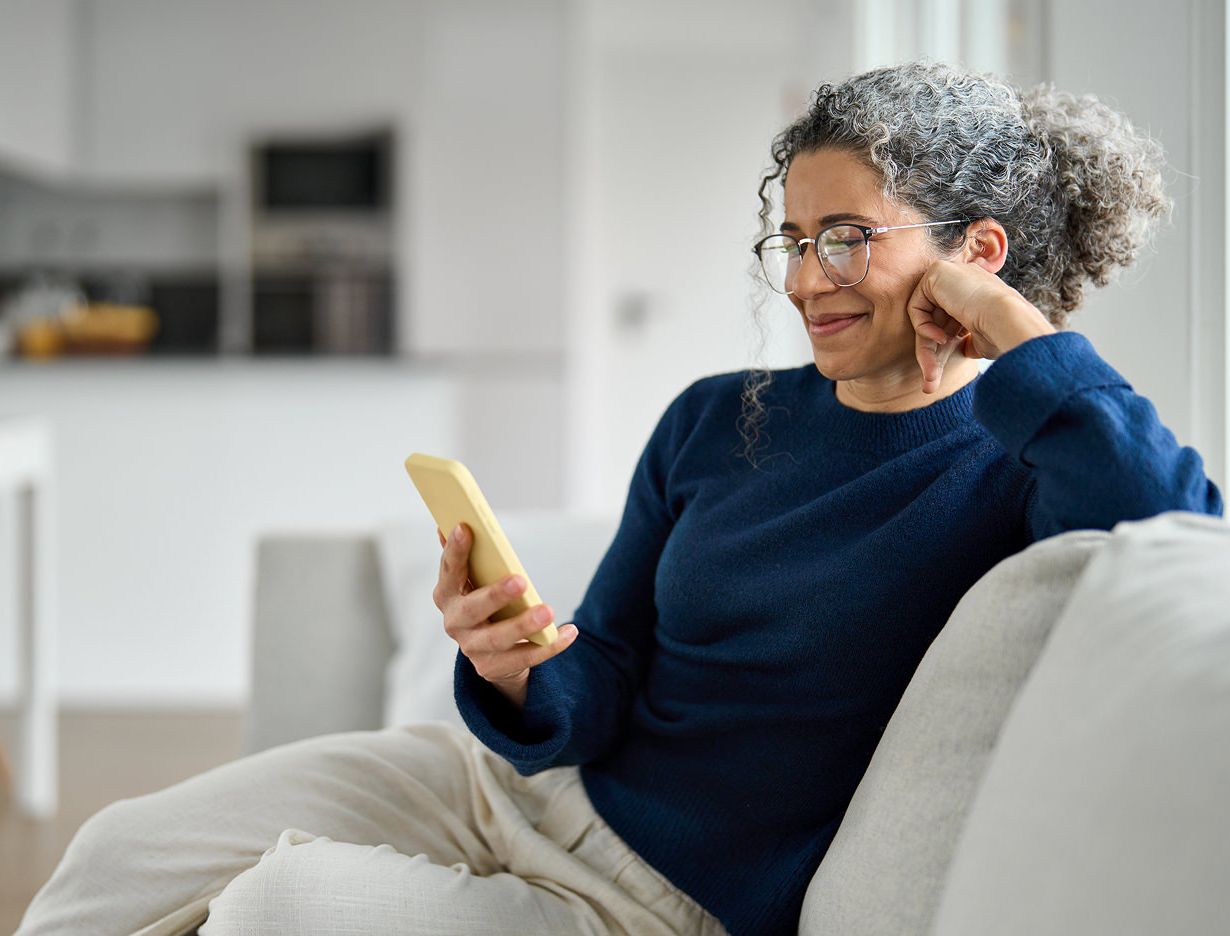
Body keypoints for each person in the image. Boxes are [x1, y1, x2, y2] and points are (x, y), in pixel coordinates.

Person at [18, 60, 1224, 936]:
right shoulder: (716, 416)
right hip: (506, 785)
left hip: (656, 901)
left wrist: (1014, 335)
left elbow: (1179, 526)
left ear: (979, 251)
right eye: (793, 240)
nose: (807, 279)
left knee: (282, 911)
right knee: (122, 849)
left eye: (847, 237)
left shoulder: (1021, 461)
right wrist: (513, 664)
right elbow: (603, 676)